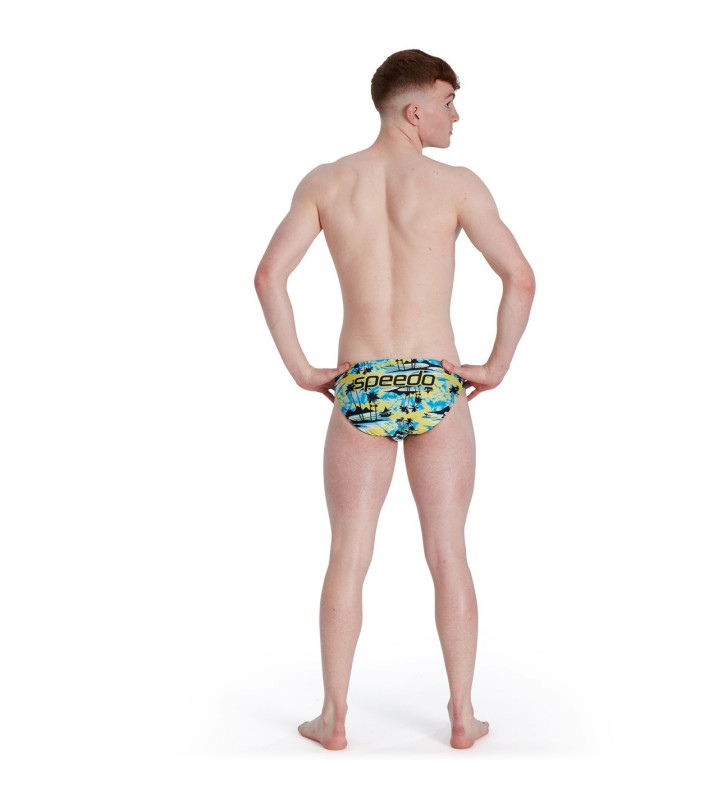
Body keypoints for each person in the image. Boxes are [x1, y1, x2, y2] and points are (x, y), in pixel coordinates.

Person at [254, 49, 535, 750]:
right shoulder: (457, 186)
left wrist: (302, 369)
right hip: (438, 381)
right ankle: (463, 716)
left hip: (362, 381)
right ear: (415, 111)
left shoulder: (327, 182)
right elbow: (521, 278)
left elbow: (268, 276)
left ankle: (333, 718)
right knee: (448, 553)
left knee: (348, 554)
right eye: (448, 102)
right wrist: (495, 366)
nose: (455, 116)